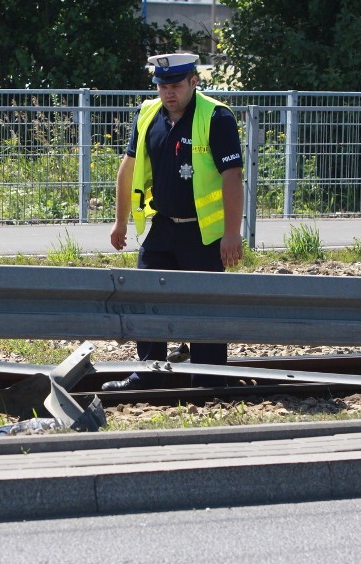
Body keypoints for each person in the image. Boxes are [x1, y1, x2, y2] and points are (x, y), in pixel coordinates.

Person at [101, 52, 244, 391]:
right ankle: (148, 374)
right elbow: (128, 169)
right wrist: (119, 222)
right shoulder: (149, 114)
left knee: (204, 306)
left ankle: (209, 380)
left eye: (176, 85)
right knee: (146, 296)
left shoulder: (216, 117)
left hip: (203, 232)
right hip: (163, 226)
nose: (168, 93)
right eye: (163, 86)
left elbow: (233, 176)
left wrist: (231, 233)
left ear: (194, 82)